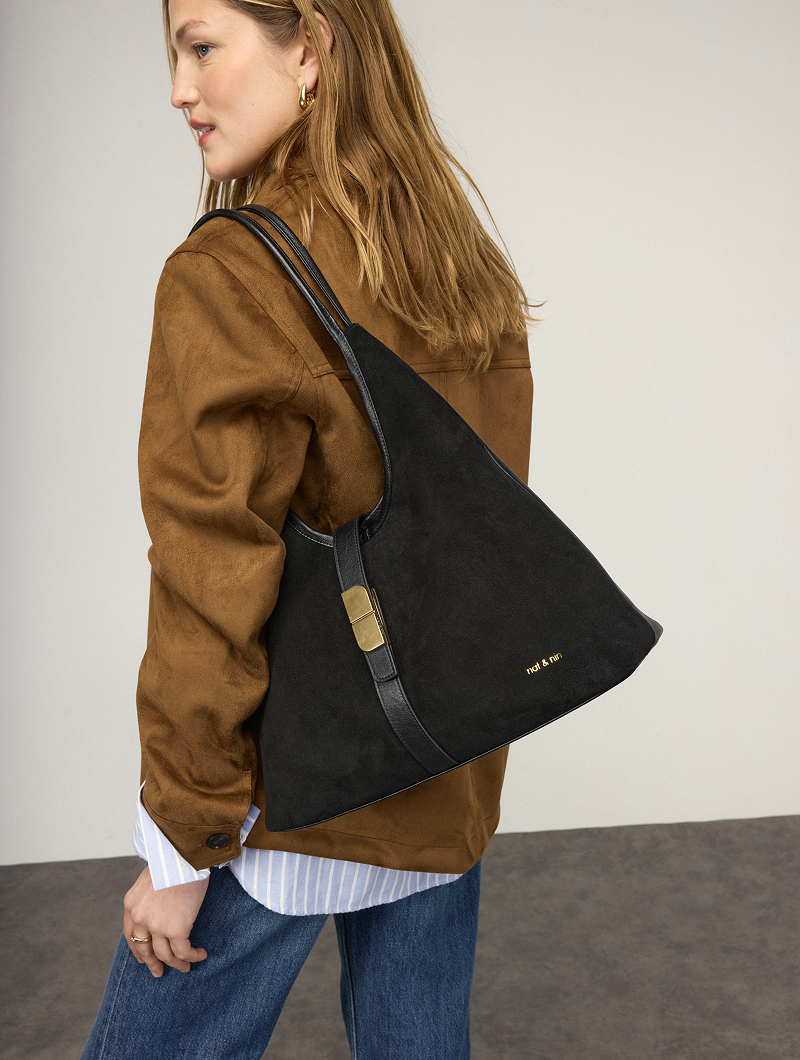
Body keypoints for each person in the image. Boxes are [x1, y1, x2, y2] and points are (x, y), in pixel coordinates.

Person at [82, 0, 534, 1057]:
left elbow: (208, 577)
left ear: (311, 47)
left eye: (202, 46)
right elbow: (479, 527)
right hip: (439, 769)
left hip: (286, 795)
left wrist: (183, 842)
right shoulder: (454, 258)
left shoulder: (233, 273)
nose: (179, 90)